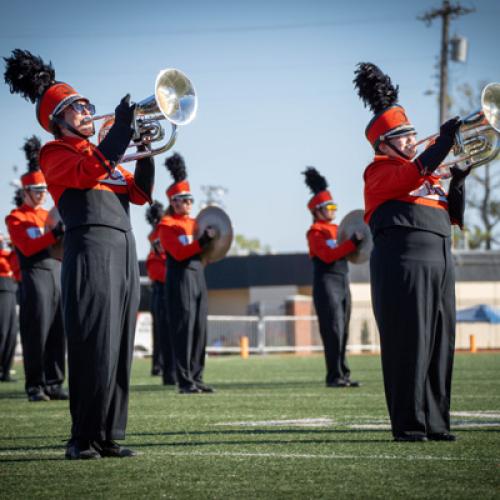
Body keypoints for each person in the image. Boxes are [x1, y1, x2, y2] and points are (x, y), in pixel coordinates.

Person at [5, 49, 154, 459]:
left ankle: (108, 433)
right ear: (58, 120)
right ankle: (81, 438)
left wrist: (145, 149)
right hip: (90, 247)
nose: (88, 111)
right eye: (77, 108)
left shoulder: (102, 154)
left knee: (119, 344)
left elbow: (140, 195)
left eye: (87, 105)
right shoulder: (56, 154)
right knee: (93, 343)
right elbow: (91, 170)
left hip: (124, 246)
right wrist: (120, 130)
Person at [354, 62, 470, 442]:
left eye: (412, 133)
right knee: (409, 343)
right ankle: (408, 425)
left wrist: (460, 181)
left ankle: (436, 422)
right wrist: (442, 144)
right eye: (402, 135)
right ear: (383, 142)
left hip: (440, 260)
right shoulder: (379, 172)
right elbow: (412, 173)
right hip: (403, 264)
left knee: (440, 343)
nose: (410, 139)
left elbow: (453, 216)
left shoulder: (431, 176)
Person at [5, 136, 66, 401]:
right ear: (25, 192)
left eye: (44, 190)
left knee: (57, 330)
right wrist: (53, 235)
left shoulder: (47, 215)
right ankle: (35, 385)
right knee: (36, 331)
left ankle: (54, 382)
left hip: (55, 272)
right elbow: (28, 247)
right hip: (34, 273)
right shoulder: (16, 217)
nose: (42, 194)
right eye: (37, 191)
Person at [158, 153, 215, 394]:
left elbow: (206, 251)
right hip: (180, 276)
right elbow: (179, 253)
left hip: (197, 274)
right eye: (183, 200)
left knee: (200, 328)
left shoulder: (196, 224)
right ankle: (184, 380)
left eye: (190, 200)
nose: (188, 204)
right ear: (173, 201)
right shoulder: (166, 226)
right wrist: (201, 242)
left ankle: (197, 376)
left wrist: (209, 243)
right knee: (184, 328)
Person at [303, 167, 362, 388]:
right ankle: (333, 376)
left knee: (344, 328)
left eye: (334, 206)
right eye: (329, 207)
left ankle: (343, 373)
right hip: (326, 282)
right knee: (333, 329)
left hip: (342, 280)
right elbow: (327, 255)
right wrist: (351, 244)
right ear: (317, 210)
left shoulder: (339, 229)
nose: (333, 210)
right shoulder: (315, 232)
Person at [145, 201, 177, 384]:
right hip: (162, 288)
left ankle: (160, 365)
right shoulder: (157, 234)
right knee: (163, 331)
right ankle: (162, 366)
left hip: (162, 287)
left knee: (161, 331)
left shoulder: (155, 233)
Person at [0, 232, 18, 383]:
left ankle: (5, 370)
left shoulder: (8, 253)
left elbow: (15, 263)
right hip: (2, 290)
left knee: (11, 333)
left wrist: (13, 246)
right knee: (3, 331)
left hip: (10, 289)